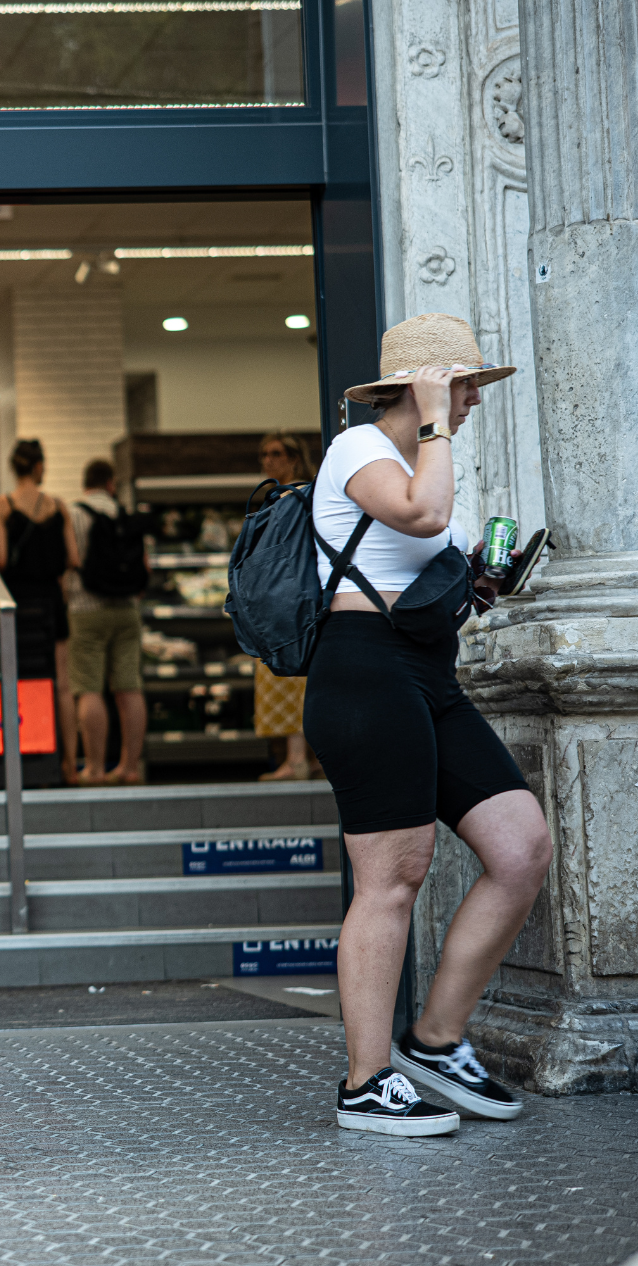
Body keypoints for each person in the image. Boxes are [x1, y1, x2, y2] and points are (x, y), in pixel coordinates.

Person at [305, 312, 550, 1136]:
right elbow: (415, 516)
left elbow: (427, 556)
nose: (477, 398)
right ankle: (366, 1080)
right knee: (395, 875)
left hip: (423, 673)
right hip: (362, 674)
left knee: (521, 847)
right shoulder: (359, 450)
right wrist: (436, 423)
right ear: (424, 387)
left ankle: (438, 1038)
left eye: (476, 385)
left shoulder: (424, 456)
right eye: (466, 383)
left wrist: (481, 582)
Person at [0, 439, 82, 782]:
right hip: (51, 601)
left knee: (19, 679)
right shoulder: (58, 507)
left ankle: (23, 759)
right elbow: (73, 559)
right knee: (61, 683)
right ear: (39, 466)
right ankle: (70, 763)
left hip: (17, 605)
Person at [68, 459, 148, 785]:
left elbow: (70, 563)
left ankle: (95, 768)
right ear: (110, 483)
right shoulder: (124, 515)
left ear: (85, 481)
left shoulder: (73, 515)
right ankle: (130, 768)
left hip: (87, 608)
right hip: (127, 609)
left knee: (89, 689)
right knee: (129, 687)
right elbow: (144, 566)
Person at [253, 430, 319, 780]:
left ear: (293, 457)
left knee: (291, 679)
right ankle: (308, 758)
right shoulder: (303, 493)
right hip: (301, 598)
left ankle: (296, 760)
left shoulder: (289, 496)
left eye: (275, 453)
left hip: (288, 601)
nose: (268, 460)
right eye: (264, 454)